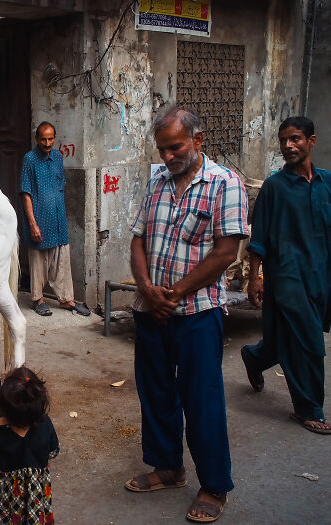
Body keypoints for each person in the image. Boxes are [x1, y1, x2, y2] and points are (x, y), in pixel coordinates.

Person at [125, 106, 249, 522]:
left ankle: (214, 485)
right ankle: (168, 467)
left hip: (197, 312)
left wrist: (174, 293)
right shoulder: (156, 183)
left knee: (202, 400)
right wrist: (146, 290)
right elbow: (138, 240)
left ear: (198, 140)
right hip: (152, 310)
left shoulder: (225, 184)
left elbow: (226, 252)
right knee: (156, 393)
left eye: (175, 147)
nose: (167, 157)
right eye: (161, 149)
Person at [241, 116, 331, 435]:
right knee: (308, 342)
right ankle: (309, 409)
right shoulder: (274, 187)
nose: (288, 146)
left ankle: (254, 357)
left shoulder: (327, 183)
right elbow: (259, 238)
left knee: (282, 340)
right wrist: (255, 278)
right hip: (286, 277)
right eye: (283, 141)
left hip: (320, 277)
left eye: (294, 139)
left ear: (311, 141)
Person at [19, 122, 90, 317]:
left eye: (50, 139)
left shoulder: (58, 156)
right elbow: (26, 193)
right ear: (37, 139)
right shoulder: (30, 159)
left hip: (57, 218)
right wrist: (32, 224)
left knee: (61, 259)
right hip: (39, 218)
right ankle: (38, 299)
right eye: (43, 139)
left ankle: (67, 299)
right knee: (38, 261)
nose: (47, 143)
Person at [0, 366, 59, 525]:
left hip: (5, 500)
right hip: (36, 498)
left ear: (2, 404)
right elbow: (53, 452)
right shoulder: (45, 424)